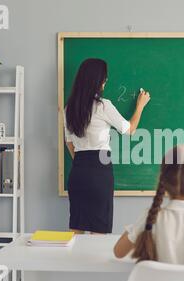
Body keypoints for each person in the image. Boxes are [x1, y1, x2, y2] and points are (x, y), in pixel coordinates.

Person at [64, 58, 150, 234]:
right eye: (104, 78)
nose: (105, 81)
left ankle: (74, 262)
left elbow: (69, 142)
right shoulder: (103, 106)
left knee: (76, 229)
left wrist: (82, 163)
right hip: (99, 169)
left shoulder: (69, 108)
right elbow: (130, 130)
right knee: (99, 230)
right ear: (98, 81)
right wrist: (140, 106)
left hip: (78, 170)